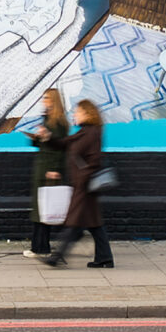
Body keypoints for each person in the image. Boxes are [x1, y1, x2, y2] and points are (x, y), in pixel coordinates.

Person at [47, 98, 115, 268]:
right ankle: (105, 258)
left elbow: (95, 160)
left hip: (84, 185)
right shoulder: (83, 132)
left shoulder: (91, 133)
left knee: (74, 223)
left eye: (77, 112)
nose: (74, 115)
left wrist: (83, 177)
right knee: (94, 225)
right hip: (83, 184)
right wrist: (48, 138)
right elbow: (65, 144)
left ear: (87, 113)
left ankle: (56, 258)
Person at [25, 88, 71, 258]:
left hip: (48, 168)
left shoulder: (57, 123)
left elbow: (60, 148)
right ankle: (38, 246)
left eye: (46, 98)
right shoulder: (48, 120)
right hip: (42, 167)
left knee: (44, 208)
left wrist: (55, 169)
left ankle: (41, 247)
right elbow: (47, 144)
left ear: (54, 100)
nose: (43, 101)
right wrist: (36, 139)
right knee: (40, 207)